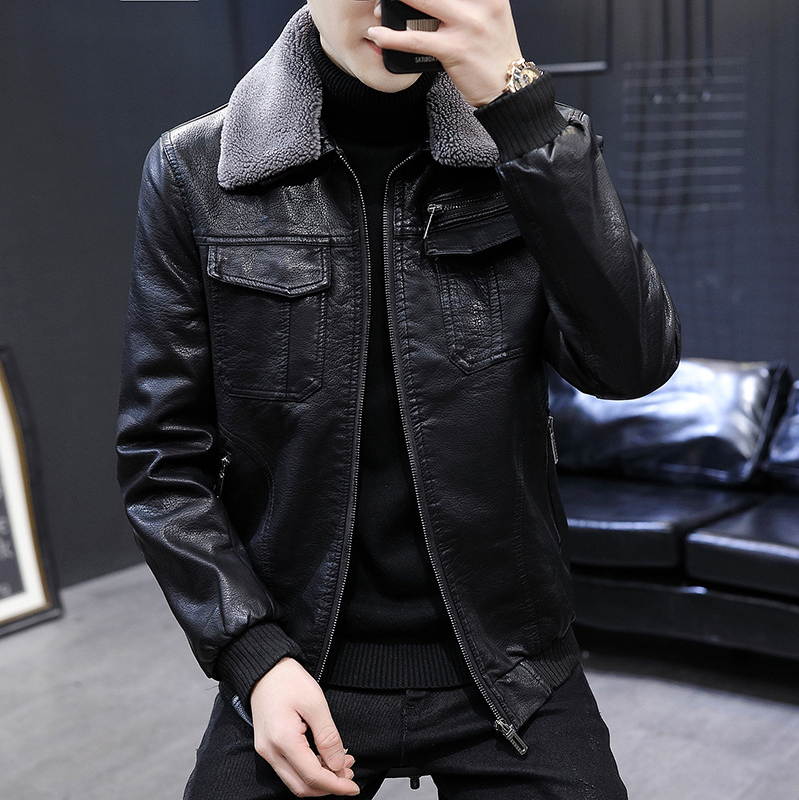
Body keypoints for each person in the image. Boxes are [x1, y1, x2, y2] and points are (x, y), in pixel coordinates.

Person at [117, 0, 680, 797]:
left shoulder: (532, 145)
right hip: (298, 658)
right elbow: (162, 458)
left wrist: (522, 117)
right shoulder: (196, 170)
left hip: (514, 662)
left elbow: (633, 366)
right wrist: (254, 657)